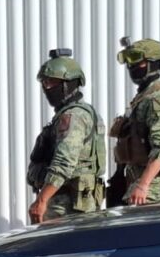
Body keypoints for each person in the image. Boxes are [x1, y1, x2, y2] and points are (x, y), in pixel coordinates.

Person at [27, 48, 106, 223]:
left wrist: (42, 200)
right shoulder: (83, 112)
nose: (47, 88)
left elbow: (64, 163)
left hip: (66, 206)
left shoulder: (73, 116)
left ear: (69, 83)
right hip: (74, 202)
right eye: (45, 83)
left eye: (52, 82)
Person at [110, 37, 160, 205]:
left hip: (155, 190)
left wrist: (143, 185)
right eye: (129, 61)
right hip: (140, 184)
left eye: (138, 61)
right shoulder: (143, 97)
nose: (131, 66)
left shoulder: (159, 99)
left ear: (154, 63)